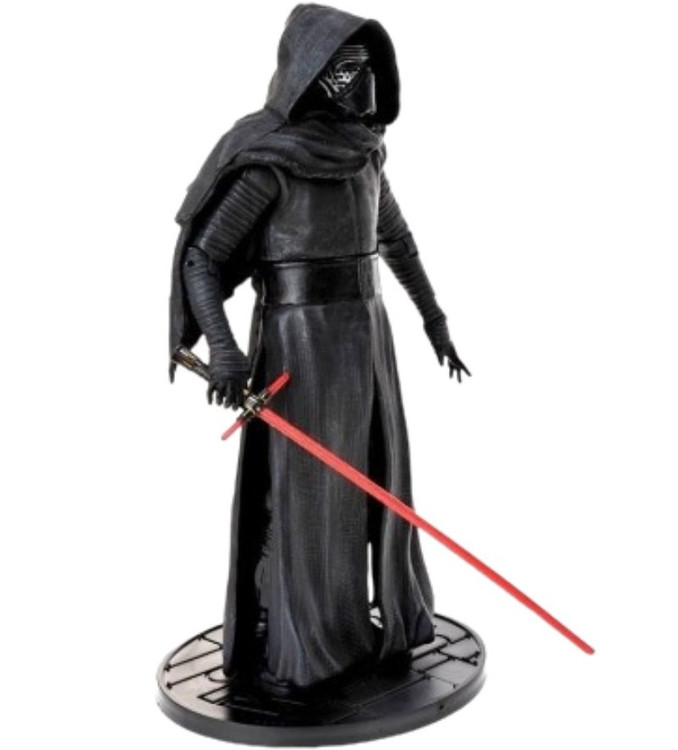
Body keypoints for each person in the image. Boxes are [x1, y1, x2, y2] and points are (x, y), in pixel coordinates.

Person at [168, 3, 469, 692]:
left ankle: (391, 625)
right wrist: (225, 351)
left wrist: (435, 320)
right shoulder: (269, 161)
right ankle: (312, 651)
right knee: (311, 500)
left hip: (367, 336)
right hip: (298, 345)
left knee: (381, 481)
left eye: (366, 69)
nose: (359, 84)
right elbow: (203, 259)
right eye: (343, 69)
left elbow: (396, 241)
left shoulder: (365, 154)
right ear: (307, 72)